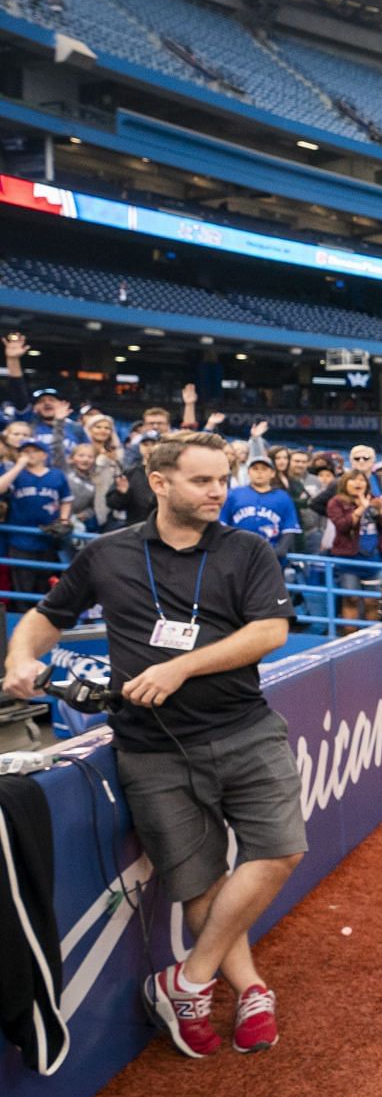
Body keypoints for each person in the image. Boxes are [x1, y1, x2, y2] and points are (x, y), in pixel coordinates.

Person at [3, 431, 303, 1057]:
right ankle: (246, 988)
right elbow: (45, 615)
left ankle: (186, 980)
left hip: (245, 730)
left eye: (223, 478)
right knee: (201, 885)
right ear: (159, 482)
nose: (219, 490)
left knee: (278, 853)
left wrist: (181, 666)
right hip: (151, 751)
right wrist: (20, 655)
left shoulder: (247, 548)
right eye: (203, 480)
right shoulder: (108, 554)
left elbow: (270, 631)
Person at [0, 439, 71, 607]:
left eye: (33, 451)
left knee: (44, 586)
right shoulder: (16, 474)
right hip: (20, 539)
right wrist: (18, 466)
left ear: (44, 454)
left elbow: (66, 500)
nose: (28, 454)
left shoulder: (57, 474)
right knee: (23, 587)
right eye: (25, 451)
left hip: (48, 538)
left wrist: (64, 519)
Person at [323, 471, 382, 623]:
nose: (358, 483)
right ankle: (349, 637)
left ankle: (372, 638)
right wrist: (360, 509)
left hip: (373, 558)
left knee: (372, 601)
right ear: (345, 483)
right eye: (353, 479)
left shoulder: (374, 500)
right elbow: (343, 526)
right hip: (348, 559)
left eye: (361, 480)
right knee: (351, 598)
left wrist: (381, 511)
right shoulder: (336, 502)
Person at [221, 455, 300, 558]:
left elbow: (289, 528)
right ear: (248, 472)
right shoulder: (233, 494)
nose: (259, 472)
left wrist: (280, 550)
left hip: (269, 552)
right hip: (237, 551)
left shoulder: (283, 497)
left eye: (264, 469)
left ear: (272, 473)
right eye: (255, 469)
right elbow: (222, 523)